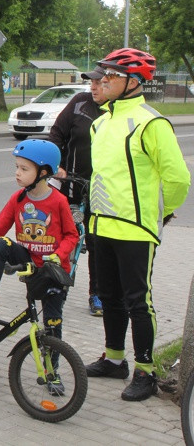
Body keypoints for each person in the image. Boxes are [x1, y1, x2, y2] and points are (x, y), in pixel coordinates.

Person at [84, 48, 190, 402]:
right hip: (101, 225)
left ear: (133, 82)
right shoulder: (100, 122)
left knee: (137, 301)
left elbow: (176, 178)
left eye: (110, 76)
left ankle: (145, 370)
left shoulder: (151, 122)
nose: (102, 81)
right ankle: (114, 359)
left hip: (134, 229)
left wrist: (163, 212)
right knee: (109, 297)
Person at [0, 140, 77, 391]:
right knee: (2, 243)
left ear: (44, 172)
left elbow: (72, 236)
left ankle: (52, 373)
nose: (17, 173)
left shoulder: (58, 201)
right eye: (17, 167)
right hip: (27, 261)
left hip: (52, 271)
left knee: (53, 324)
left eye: (24, 169)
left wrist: (59, 254)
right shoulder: (18, 199)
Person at [48, 66, 107, 316]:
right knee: (62, 236)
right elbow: (56, 135)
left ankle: (97, 294)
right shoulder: (79, 102)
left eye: (98, 83)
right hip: (72, 185)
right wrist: (57, 166)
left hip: (103, 191)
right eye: (91, 82)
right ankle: (52, 283)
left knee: (96, 242)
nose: (92, 87)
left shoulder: (116, 111)